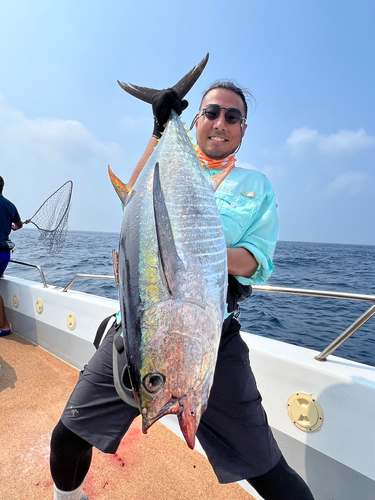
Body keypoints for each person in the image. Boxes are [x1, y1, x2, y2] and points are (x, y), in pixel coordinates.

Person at [49, 82, 315, 500]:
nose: (221, 122)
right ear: (195, 122)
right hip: (136, 329)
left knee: (268, 470)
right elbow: (134, 206)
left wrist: (202, 248)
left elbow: (255, 260)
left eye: (233, 116)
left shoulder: (256, 186)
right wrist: (159, 129)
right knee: (66, 437)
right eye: (211, 113)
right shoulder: (169, 161)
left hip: (215, 339)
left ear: (243, 130)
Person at [0, 176, 23, 336]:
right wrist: (13, 227)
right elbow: (19, 225)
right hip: (4, 253)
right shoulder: (10, 205)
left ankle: (4, 325)